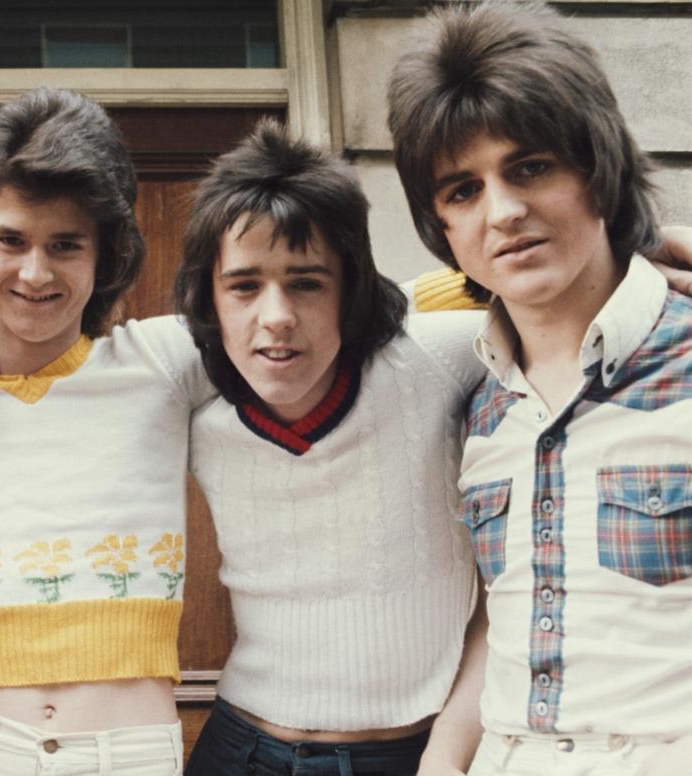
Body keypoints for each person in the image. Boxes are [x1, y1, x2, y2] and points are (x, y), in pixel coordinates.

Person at [0, 87, 213, 775]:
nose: (34, 272)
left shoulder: (165, 361)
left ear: (104, 256)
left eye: (65, 245)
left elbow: (342, 310)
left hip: (128, 754)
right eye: (11, 241)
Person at [386, 3, 692, 775]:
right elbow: (512, 612)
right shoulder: (476, 398)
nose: (504, 212)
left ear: (598, 167)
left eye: (530, 168)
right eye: (462, 191)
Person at [172, 117, 489, 776]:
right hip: (243, 749)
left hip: (414, 754)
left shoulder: (438, 360)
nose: (277, 315)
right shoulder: (186, 393)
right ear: (210, 297)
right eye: (245, 285)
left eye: (307, 281)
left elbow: (575, 302)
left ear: (351, 289)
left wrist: (660, 248)